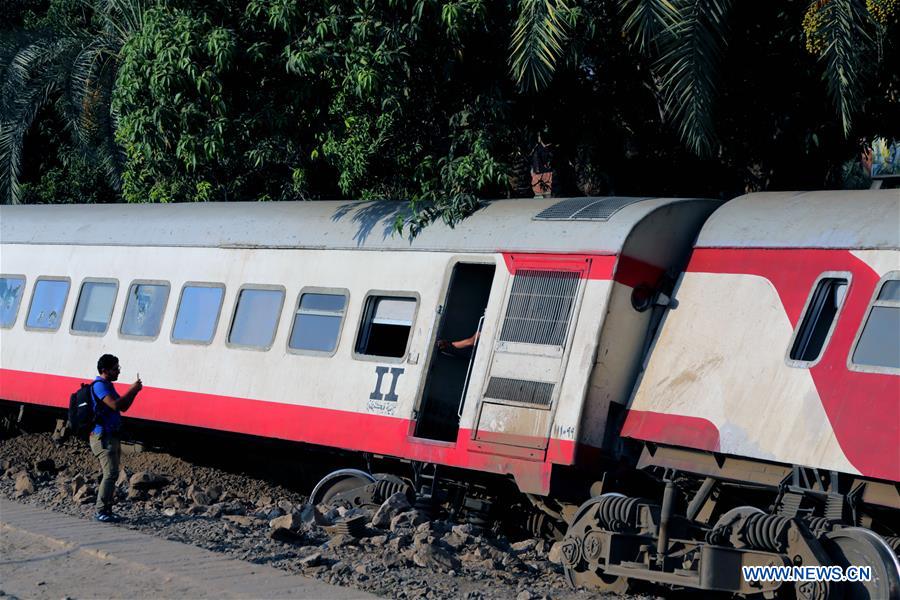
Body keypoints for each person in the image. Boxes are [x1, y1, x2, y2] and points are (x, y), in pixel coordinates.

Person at [90, 354, 142, 522]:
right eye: (115, 368)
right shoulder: (100, 386)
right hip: (102, 436)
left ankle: (106, 510)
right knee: (110, 473)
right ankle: (101, 511)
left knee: (112, 474)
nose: (118, 371)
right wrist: (131, 390)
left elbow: (123, 407)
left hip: (111, 435)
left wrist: (134, 393)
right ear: (105, 370)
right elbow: (115, 405)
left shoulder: (108, 385)